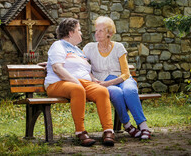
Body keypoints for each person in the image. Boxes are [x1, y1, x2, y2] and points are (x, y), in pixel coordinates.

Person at [44, 18, 115, 146]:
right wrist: (75, 81)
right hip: (58, 83)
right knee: (78, 89)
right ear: (71, 32)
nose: (81, 33)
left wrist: (93, 80)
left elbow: (84, 69)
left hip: (81, 82)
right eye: (79, 30)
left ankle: (108, 131)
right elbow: (57, 68)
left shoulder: (77, 50)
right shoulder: (58, 45)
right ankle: (80, 132)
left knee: (102, 91)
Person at [83, 16, 151, 140]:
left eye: (101, 31)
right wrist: (94, 79)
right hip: (102, 82)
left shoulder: (118, 47)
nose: (96, 33)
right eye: (96, 30)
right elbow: (83, 66)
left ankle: (143, 126)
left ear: (109, 33)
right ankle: (127, 125)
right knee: (116, 92)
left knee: (129, 90)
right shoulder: (89, 48)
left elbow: (125, 73)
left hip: (123, 80)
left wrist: (108, 83)